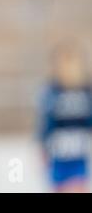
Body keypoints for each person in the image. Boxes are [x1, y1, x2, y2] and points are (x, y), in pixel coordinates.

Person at [38, 41, 92, 192]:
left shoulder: (85, 91)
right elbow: (47, 124)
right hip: (59, 156)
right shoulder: (52, 91)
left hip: (77, 155)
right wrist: (42, 148)